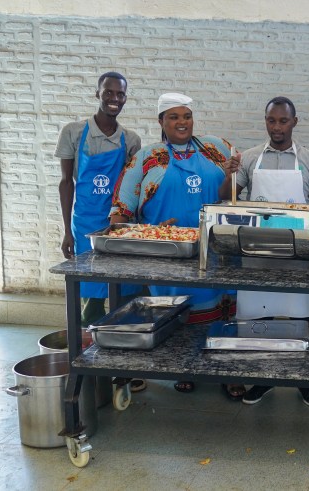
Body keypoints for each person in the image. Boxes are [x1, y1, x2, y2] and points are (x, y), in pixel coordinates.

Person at [109, 93, 241, 398]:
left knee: (224, 312)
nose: (182, 123)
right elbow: (122, 207)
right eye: (173, 117)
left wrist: (236, 171)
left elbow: (232, 192)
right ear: (161, 122)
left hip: (215, 246)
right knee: (179, 311)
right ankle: (183, 369)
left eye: (186, 116)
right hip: (169, 251)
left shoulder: (215, 147)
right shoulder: (146, 157)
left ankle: (229, 371)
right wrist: (123, 229)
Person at [218, 96, 309, 408]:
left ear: (294, 122)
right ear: (265, 121)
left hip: (298, 253)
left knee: (301, 318)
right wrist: (229, 173)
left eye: (283, 121)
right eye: (271, 121)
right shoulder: (249, 158)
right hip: (257, 251)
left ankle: (303, 380)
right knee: (258, 318)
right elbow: (226, 196)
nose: (276, 127)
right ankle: (261, 380)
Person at [56, 71, 146, 394]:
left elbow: (133, 187)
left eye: (120, 95)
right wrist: (67, 231)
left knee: (121, 296)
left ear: (125, 98)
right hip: (83, 227)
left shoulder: (130, 141)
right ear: (98, 93)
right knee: (89, 300)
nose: (114, 99)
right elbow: (67, 183)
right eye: (109, 92)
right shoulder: (74, 133)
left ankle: (124, 365)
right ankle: (90, 366)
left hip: (117, 228)